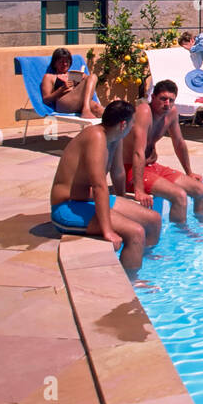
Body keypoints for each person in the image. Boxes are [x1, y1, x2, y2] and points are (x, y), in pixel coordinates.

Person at [49, 99, 161, 275]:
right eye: (132, 122)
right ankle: (131, 280)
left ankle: (144, 261)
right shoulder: (96, 137)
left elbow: (117, 173)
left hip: (88, 200)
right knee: (136, 232)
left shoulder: (115, 137)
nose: (133, 126)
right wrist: (107, 230)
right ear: (123, 124)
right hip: (67, 206)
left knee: (153, 219)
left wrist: (121, 198)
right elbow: (99, 185)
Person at [123, 79, 203, 223]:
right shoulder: (144, 111)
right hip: (132, 171)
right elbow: (138, 152)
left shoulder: (171, 112)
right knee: (179, 195)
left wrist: (189, 172)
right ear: (153, 98)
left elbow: (179, 143)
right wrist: (139, 190)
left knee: (202, 190)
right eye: (163, 99)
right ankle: (180, 234)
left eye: (171, 100)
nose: (167, 104)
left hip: (153, 167)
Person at [41, 47, 105, 118]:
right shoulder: (49, 77)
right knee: (92, 77)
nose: (64, 64)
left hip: (77, 102)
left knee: (97, 108)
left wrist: (84, 78)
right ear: (55, 63)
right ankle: (86, 110)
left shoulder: (73, 74)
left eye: (67, 62)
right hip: (63, 104)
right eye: (61, 62)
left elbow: (90, 85)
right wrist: (62, 89)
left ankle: (116, 124)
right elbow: (46, 100)